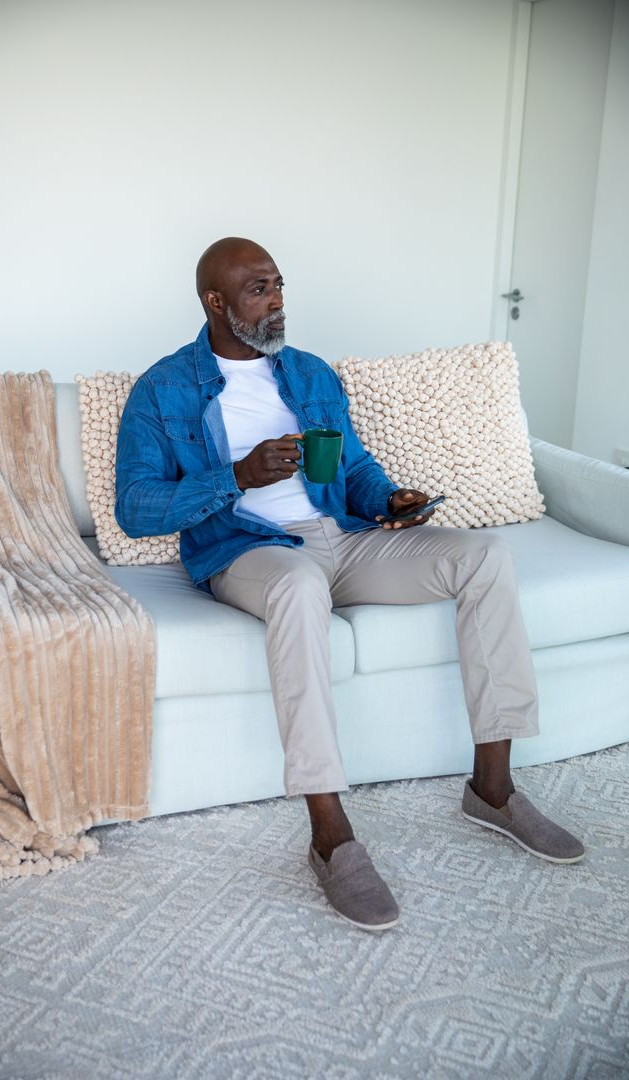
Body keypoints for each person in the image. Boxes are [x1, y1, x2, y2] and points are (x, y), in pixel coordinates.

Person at [115, 237, 584, 932]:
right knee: (301, 584)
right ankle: (329, 832)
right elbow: (136, 507)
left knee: (483, 555)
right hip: (248, 550)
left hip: (344, 538)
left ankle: (493, 787)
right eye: (257, 290)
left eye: (278, 285)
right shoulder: (162, 390)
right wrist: (238, 476)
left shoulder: (308, 373)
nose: (276, 301)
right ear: (214, 302)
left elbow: (355, 468)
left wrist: (389, 500)